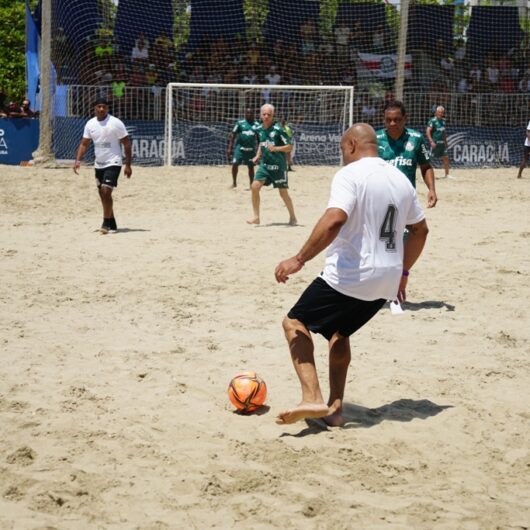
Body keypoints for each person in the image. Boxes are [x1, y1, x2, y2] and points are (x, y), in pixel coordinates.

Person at [274, 123, 429, 425]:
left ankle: (312, 398)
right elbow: (420, 230)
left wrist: (299, 258)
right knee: (339, 332)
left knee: (294, 323)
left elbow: (334, 219)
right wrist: (403, 273)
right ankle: (335, 411)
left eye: (343, 148)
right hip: (386, 280)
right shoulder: (400, 179)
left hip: (352, 274)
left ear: (351, 145)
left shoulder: (350, 174)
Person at [73, 98, 132, 234]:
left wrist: (128, 165)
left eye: (104, 107)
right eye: (99, 107)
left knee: (106, 191)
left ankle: (105, 224)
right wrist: (77, 160)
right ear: (94, 108)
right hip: (98, 164)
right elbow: (84, 144)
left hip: (114, 162)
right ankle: (112, 221)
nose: (101, 109)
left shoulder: (116, 123)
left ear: (107, 109)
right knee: (102, 194)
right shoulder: (90, 124)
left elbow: (126, 144)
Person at [377, 100, 437, 208]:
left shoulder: (416, 138)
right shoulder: (374, 140)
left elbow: (426, 166)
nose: (392, 123)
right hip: (380, 199)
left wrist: (432, 190)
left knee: (416, 225)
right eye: (388, 120)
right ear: (383, 120)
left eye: (397, 120)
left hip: (407, 199)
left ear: (405, 119)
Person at [247, 104, 297, 226]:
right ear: (260, 115)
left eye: (269, 114)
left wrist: (275, 148)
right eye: (264, 114)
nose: (266, 116)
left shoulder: (279, 129)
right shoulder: (259, 128)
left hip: (278, 166)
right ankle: (256, 217)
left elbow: (289, 146)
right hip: (265, 165)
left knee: (283, 193)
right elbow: (262, 143)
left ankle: (293, 217)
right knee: (254, 187)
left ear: (273, 115)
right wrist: (257, 156)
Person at [227, 108, 258, 188]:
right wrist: (229, 148)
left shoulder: (257, 125)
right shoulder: (239, 123)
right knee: (235, 164)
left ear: (253, 114)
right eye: (248, 113)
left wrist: (259, 151)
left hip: (251, 150)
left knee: (251, 167)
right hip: (240, 149)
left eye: (251, 113)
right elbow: (233, 135)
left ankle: (251, 184)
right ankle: (234, 183)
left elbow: (259, 138)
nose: (250, 114)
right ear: (245, 114)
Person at [426, 105, 453, 180]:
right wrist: (431, 141)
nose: (441, 113)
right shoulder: (432, 121)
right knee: (429, 159)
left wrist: (446, 142)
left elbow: (443, 132)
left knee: (446, 158)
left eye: (442, 112)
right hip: (435, 143)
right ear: (436, 112)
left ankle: (447, 175)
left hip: (442, 144)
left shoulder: (443, 121)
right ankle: (425, 174)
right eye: (439, 112)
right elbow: (427, 131)